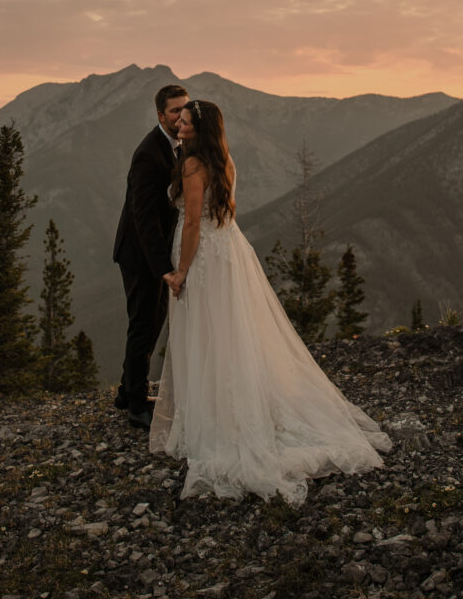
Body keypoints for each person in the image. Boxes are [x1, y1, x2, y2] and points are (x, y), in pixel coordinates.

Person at [150, 98, 389, 502]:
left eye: (187, 123)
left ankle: (216, 421)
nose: (180, 127)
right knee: (233, 333)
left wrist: (182, 271)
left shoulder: (192, 166)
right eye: (180, 121)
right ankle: (236, 405)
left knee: (207, 335)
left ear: (200, 129)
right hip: (229, 251)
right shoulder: (225, 160)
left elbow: (192, 221)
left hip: (205, 256)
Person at [112, 82, 189, 428]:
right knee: (143, 326)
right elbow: (143, 219)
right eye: (174, 110)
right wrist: (163, 269)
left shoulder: (179, 144)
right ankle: (136, 405)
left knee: (152, 324)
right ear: (160, 114)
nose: (180, 115)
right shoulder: (149, 153)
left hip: (158, 253)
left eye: (183, 108)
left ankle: (128, 391)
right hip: (140, 255)